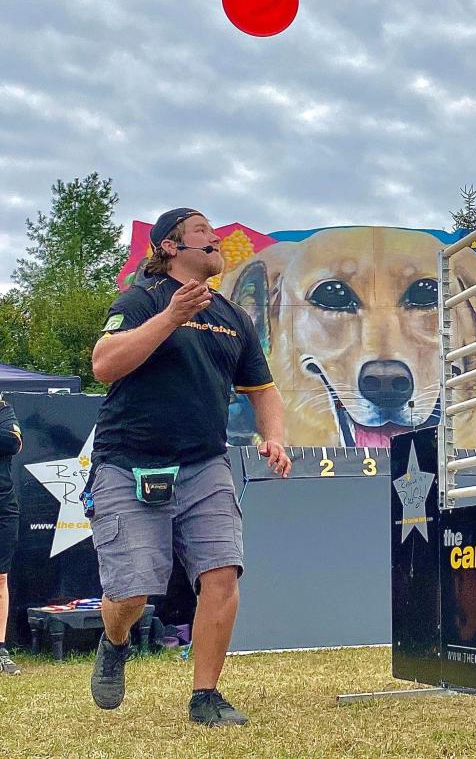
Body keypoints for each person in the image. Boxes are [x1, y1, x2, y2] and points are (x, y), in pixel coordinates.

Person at [87, 208, 291, 726]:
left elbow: (262, 389)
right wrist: (170, 318)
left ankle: (206, 696)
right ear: (170, 247)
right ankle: (115, 640)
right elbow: (104, 365)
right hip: (129, 463)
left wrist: (275, 437)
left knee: (222, 571)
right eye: (202, 231)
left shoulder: (233, 317)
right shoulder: (141, 299)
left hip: (205, 464)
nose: (216, 238)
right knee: (133, 589)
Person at [0, 394, 23, 675]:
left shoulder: (3, 408)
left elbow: (13, 442)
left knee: (1, 576)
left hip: (4, 504)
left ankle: (1, 649)